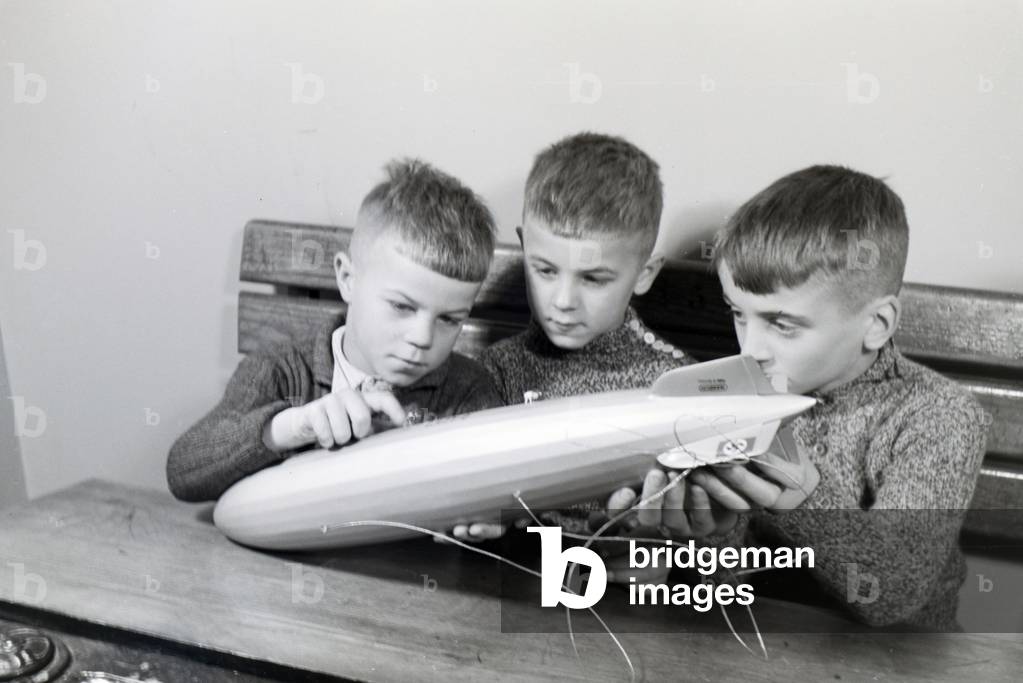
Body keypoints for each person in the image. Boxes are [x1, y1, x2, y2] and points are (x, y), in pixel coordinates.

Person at [167, 159, 503, 502]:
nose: (422, 338)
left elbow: (504, 494)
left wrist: (493, 518)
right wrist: (290, 427)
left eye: (448, 319)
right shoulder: (281, 371)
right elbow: (183, 473)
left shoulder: (469, 392)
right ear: (347, 279)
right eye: (402, 307)